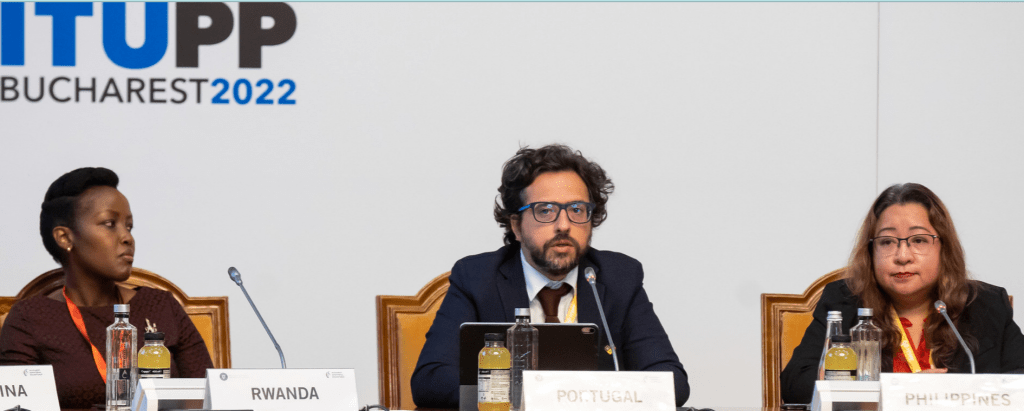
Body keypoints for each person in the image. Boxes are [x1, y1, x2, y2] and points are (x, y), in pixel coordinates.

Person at [411, 144, 689, 407]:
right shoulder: (477, 278)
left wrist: (577, 397)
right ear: (516, 226)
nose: (564, 225)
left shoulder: (619, 277)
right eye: (545, 211)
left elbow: (672, 382)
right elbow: (430, 380)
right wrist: (541, 395)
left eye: (577, 210)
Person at [781, 183, 1024, 403]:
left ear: (944, 248)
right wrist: (901, 392)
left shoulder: (985, 303)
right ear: (871, 251)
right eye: (887, 242)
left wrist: (951, 391)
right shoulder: (844, 301)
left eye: (919, 240)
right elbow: (795, 384)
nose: (902, 256)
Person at [0, 167, 213, 409]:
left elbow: (208, 397)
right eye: (110, 224)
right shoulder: (30, 318)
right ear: (65, 238)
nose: (127, 238)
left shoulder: (161, 307)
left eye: (129, 226)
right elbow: (13, 405)